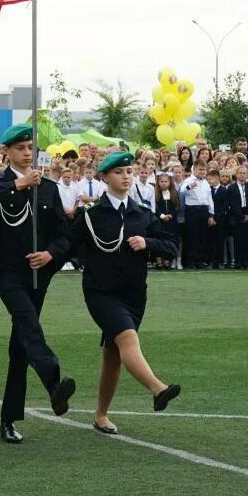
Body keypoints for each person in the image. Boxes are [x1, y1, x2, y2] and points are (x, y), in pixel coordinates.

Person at [71, 151, 181, 435]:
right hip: (101, 292)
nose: (126, 176)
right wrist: (46, 258)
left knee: (112, 353)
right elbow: (66, 245)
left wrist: (147, 242)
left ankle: (101, 415)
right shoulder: (91, 214)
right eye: (119, 172)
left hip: (134, 294)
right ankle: (158, 389)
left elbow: (171, 246)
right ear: (105, 177)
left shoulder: (142, 213)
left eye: (129, 171)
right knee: (127, 339)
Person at [0, 124, 76, 444]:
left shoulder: (48, 188)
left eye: (29, 148)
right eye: (20, 148)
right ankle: (53, 383)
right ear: (7, 151)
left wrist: (51, 254)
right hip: (8, 271)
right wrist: (18, 186)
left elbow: (64, 235)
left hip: (38, 274)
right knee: (27, 321)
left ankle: (8, 419)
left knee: (20, 345)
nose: (27, 153)